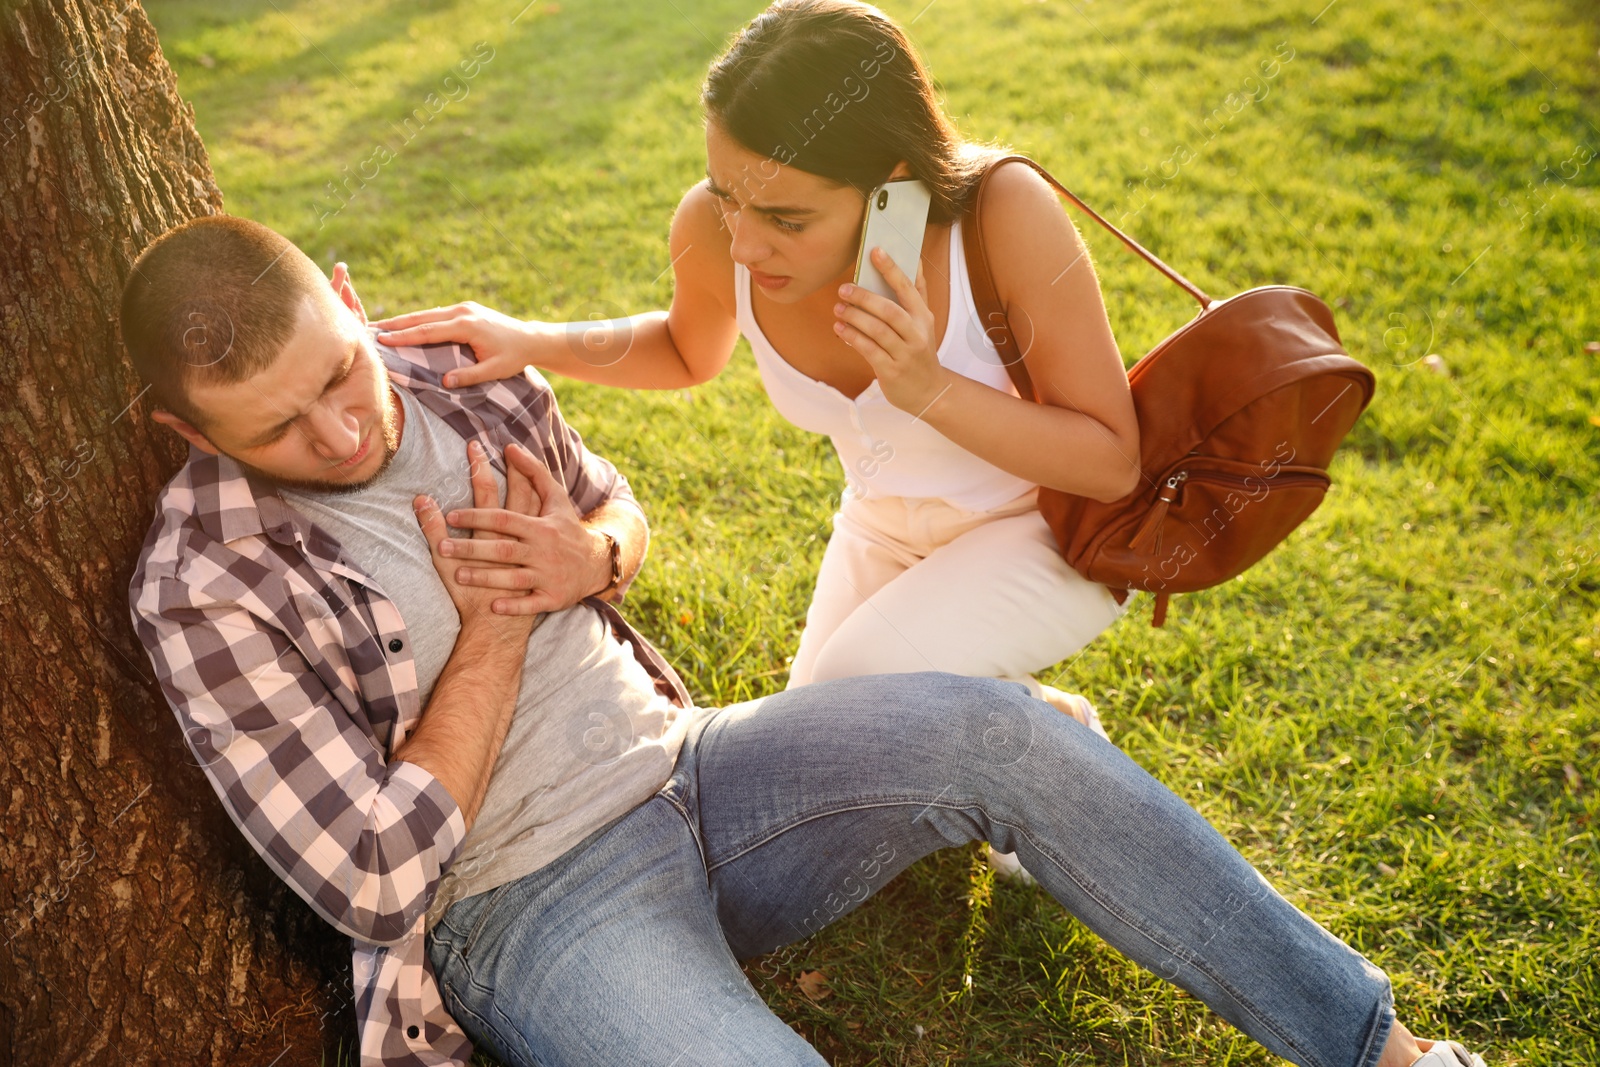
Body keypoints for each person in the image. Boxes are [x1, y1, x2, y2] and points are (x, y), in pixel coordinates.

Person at [123, 215, 1484, 1067]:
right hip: (529, 905)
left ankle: (1385, 1048)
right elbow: (369, 878)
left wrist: (594, 556)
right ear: (194, 438)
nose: (345, 434)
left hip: (699, 768)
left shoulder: (450, 366)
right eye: (280, 430)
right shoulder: (202, 582)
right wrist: (490, 633)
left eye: (340, 375)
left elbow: (612, 502)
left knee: (997, 729)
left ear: (351, 296)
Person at [370, 1, 1137, 882]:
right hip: (886, 526)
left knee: (865, 676)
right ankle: (1032, 718)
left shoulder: (1001, 212)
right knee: (801, 749)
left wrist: (929, 389)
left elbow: (1113, 461)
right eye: (729, 194)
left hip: (1049, 528)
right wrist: (531, 339)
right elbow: (688, 348)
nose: (743, 241)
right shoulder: (715, 227)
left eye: (786, 217)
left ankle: (1041, 756)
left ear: (891, 181)